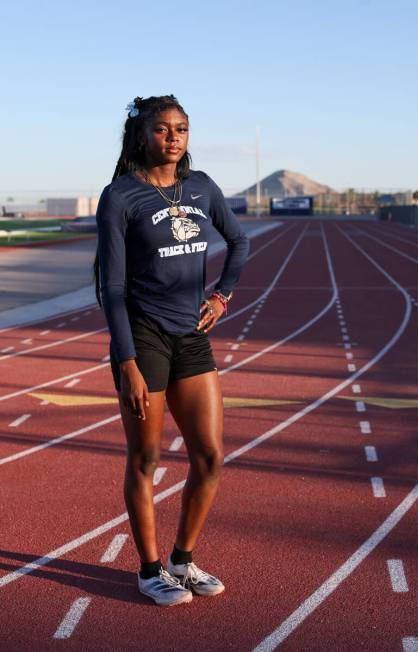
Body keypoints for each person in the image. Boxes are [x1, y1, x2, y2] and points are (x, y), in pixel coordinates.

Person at [93, 94, 249, 606]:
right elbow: (111, 289)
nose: (173, 138)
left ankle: (183, 559)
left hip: (191, 335)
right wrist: (127, 360)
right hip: (144, 337)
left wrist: (222, 295)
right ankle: (150, 569)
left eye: (181, 129)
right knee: (146, 458)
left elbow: (239, 242)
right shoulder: (120, 196)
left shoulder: (202, 187)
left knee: (210, 456)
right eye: (163, 129)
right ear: (142, 135)